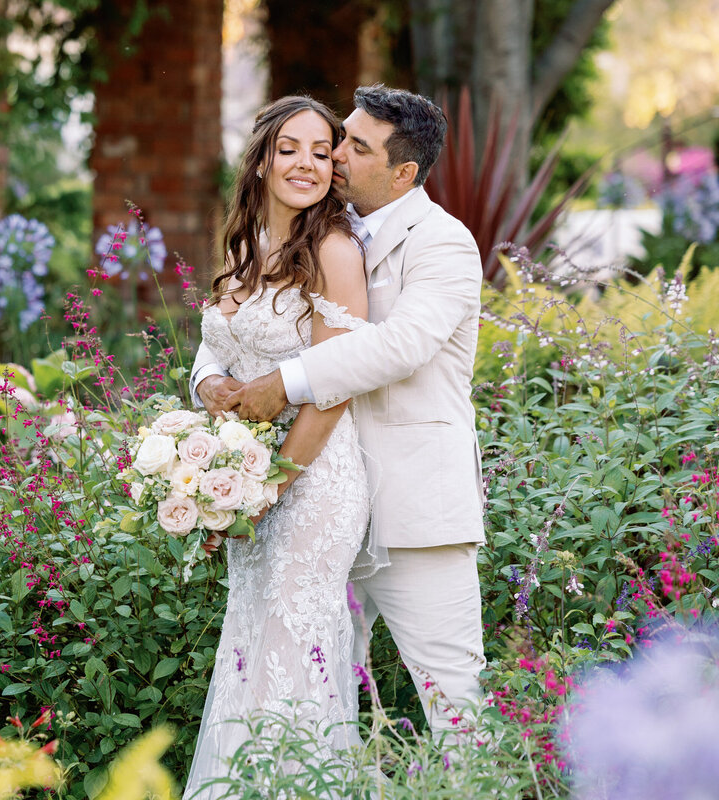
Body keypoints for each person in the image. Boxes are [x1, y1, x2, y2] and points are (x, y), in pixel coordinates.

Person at [194, 84, 486, 742]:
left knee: (453, 696)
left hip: (410, 510)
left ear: (403, 172)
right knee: (300, 689)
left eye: (354, 146)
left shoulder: (443, 243)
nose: (335, 157)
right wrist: (211, 381)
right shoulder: (312, 229)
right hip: (316, 500)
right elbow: (238, 329)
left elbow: (401, 345)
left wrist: (286, 384)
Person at [183, 94, 381, 799]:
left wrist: (269, 490)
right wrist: (207, 387)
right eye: (290, 148)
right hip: (251, 486)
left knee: (291, 649)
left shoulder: (333, 251)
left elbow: (336, 388)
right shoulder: (246, 247)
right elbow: (213, 353)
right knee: (248, 646)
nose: (307, 164)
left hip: (314, 483)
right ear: (263, 158)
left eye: (322, 152)